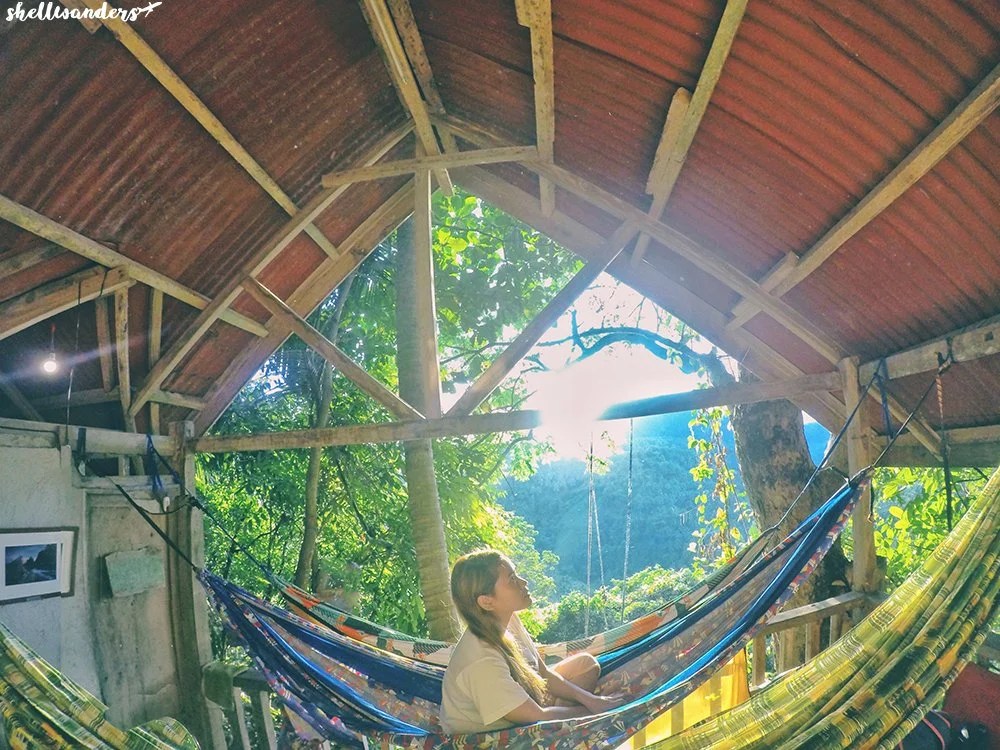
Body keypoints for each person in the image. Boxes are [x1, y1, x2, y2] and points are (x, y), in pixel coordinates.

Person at [440, 549, 625, 734]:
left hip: (526, 705)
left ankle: (569, 715)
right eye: (512, 579)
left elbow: (542, 672)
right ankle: (571, 725)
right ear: (487, 602)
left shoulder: (506, 620)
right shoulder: (481, 662)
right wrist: (599, 713)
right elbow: (539, 717)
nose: (523, 582)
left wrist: (591, 700)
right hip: (499, 739)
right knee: (564, 718)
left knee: (585, 664)